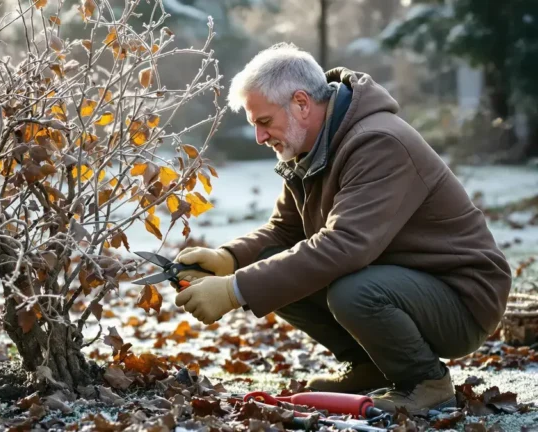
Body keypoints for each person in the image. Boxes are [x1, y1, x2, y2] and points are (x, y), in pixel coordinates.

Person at [172, 42, 512, 414]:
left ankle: (425, 382)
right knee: (273, 263)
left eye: (264, 122)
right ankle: (372, 367)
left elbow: (346, 246)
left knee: (354, 291)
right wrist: (228, 258)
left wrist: (234, 290)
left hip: (462, 298)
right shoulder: (310, 146)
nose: (260, 137)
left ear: (301, 103)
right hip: (404, 280)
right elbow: (286, 233)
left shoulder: (378, 142)